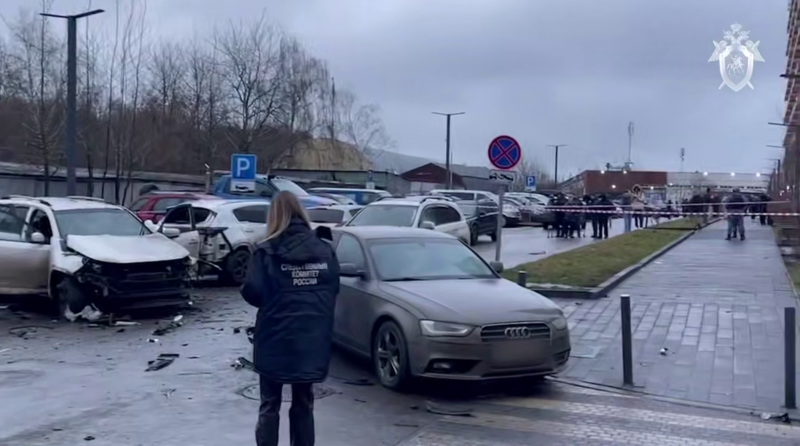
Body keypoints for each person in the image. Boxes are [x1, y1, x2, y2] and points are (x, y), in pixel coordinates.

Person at [240, 191, 340, 446]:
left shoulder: (266, 251)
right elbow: (332, 289)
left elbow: (253, 292)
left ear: (274, 216)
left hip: (275, 337)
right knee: (304, 402)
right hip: (312, 337)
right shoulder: (324, 249)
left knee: (270, 403)